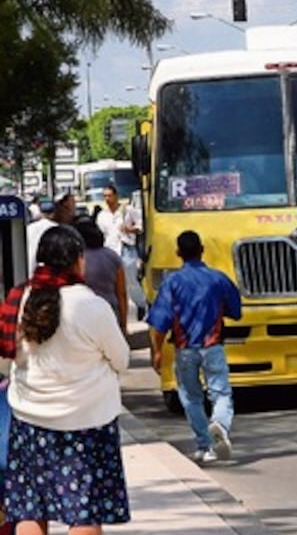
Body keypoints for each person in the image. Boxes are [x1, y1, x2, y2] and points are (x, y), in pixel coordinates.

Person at [0, 224, 130, 535]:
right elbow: (120, 360)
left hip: (29, 423)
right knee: (83, 512)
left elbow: (9, 354)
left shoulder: (20, 298)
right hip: (86, 425)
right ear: (76, 259)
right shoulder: (90, 305)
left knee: (28, 509)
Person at [146, 230, 242, 464]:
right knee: (221, 393)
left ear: (178, 253)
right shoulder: (218, 278)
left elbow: (160, 321)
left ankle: (205, 446)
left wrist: (157, 351)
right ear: (202, 250)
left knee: (191, 397)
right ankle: (219, 423)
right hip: (214, 346)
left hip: (185, 348)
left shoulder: (172, 283)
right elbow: (236, 311)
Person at [96, 183, 146, 319]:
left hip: (126, 249)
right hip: (110, 250)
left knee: (131, 281)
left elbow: (141, 225)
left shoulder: (127, 210)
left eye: (109, 196)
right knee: (112, 282)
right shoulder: (102, 215)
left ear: (116, 196)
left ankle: (141, 305)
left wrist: (131, 229)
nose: (107, 199)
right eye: (105, 196)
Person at [76, 218, 128, 333]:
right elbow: (121, 293)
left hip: (82, 314)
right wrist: (123, 324)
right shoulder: (113, 257)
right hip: (110, 313)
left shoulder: (76, 259)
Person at [25, 189, 76, 276]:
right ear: (59, 207)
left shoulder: (69, 231)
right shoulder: (64, 232)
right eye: (68, 208)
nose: (72, 214)